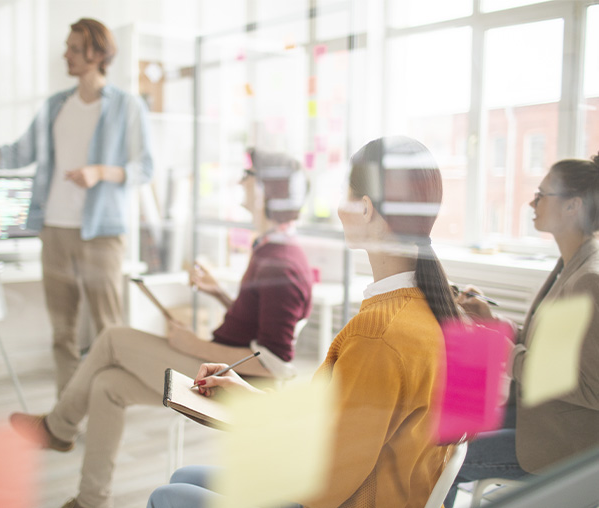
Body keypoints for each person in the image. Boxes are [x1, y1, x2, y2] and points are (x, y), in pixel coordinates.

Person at [148, 136, 461, 508]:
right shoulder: (427, 308)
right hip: (372, 488)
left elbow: (326, 482)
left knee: (168, 496)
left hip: (346, 498)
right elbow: (340, 425)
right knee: (184, 480)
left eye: (344, 192)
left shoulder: (378, 335)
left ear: (365, 208)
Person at [9, 149, 314, 508]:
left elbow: (272, 365)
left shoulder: (281, 263)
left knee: (112, 338)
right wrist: (218, 293)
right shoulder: (272, 250)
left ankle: (58, 429)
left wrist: (192, 344)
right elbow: (259, 334)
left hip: (231, 386)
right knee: (107, 385)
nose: (240, 181)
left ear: (267, 190)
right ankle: (90, 501)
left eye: (248, 174)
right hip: (218, 371)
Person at [0, 18, 154, 396]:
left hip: (103, 234)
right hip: (55, 229)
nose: (66, 54)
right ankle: (64, 418)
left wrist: (100, 171)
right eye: (68, 47)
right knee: (62, 332)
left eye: (74, 48)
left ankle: (109, 408)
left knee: (110, 331)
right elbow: (17, 153)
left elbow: (144, 167)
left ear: (98, 54)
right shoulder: (55, 106)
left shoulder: (127, 107)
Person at [443, 153, 599, 507]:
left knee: (442, 459)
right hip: (537, 417)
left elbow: (592, 387)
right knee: (444, 430)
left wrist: (506, 351)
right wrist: (496, 324)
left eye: (542, 195)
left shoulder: (590, 279)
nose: (532, 202)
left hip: (563, 443)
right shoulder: (569, 265)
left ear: (573, 206)